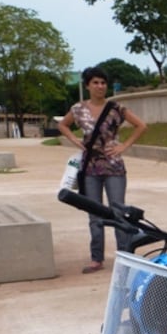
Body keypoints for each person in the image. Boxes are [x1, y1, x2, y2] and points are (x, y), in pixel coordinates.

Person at [58, 66, 147, 274]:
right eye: (95, 83)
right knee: (94, 214)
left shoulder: (117, 108)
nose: (100, 86)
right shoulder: (78, 109)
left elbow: (141, 126)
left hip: (113, 166)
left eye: (103, 83)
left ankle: (125, 257)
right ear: (88, 85)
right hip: (90, 168)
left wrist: (123, 146)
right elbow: (63, 125)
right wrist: (74, 140)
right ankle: (96, 258)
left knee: (118, 213)